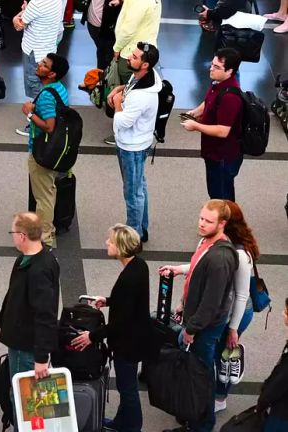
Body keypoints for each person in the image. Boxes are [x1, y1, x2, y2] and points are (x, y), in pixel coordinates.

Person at [159, 199, 239, 432]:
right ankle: (193, 417)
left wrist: (192, 329)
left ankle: (202, 425)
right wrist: (180, 273)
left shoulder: (220, 258)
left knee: (201, 376)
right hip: (197, 321)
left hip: (204, 327)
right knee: (196, 373)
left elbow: (211, 303)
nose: (202, 224)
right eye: (201, 218)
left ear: (222, 224)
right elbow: (197, 269)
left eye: (208, 221)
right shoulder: (207, 243)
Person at [72, 224, 153, 432]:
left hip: (127, 343)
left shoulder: (128, 278)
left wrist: (93, 336)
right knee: (127, 386)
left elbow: (121, 322)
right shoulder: (139, 266)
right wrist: (108, 301)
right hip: (137, 338)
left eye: (111, 241)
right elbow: (130, 302)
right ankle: (122, 422)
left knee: (128, 389)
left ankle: (132, 427)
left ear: (121, 247)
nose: (107, 243)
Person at [0, 212, 60, 431]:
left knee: (29, 404)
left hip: (28, 348)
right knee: (23, 398)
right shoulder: (31, 258)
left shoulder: (39, 269)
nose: (12, 237)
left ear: (22, 236)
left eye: (13, 232)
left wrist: (41, 358)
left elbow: (45, 317)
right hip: (20, 342)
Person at [108, 42, 161, 242]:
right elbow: (129, 85)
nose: (130, 57)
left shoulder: (141, 97)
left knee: (132, 193)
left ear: (145, 65)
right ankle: (141, 228)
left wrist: (118, 102)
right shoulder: (144, 76)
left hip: (132, 147)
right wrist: (120, 89)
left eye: (135, 57)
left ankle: (133, 235)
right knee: (140, 186)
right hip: (138, 143)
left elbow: (123, 121)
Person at [181, 48, 243, 202]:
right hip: (214, 152)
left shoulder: (230, 97)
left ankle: (227, 225)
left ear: (229, 71)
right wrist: (195, 112)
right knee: (216, 193)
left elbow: (223, 131)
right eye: (212, 64)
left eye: (216, 67)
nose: (211, 68)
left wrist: (196, 126)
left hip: (222, 156)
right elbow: (209, 101)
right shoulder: (218, 83)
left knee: (222, 199)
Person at [214, 200, 258, 412]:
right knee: (218, 351)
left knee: (225, 355)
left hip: (237, 312)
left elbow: (242, 295)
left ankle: (220, 397)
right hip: (226, 308)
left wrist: (233, 329)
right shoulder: (221, 242)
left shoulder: (239, 254)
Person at [22, 53, 69, 247]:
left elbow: (49, 126)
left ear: (52, 74)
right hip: (56, 149)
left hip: (43, 151)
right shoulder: (59, 89)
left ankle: (45, 236)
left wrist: (30, 113)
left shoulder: (47, 97)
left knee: (43, 195)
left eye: (44, 64)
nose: (39, 65)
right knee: (47, 190)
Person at [103, 0, 161, 146]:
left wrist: (117, 48)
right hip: (144, 49)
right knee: (132, 86)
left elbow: (128, 29)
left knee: (127, 96)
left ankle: (122, 132)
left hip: (131, 50)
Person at [13, 0, 64, 136]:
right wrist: (27, 10)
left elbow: (18, 24)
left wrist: (18, 15)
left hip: (34, 53)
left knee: (36, 90)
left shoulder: (37, 3)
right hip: (48, 49)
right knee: (45, 89)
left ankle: (37, 126)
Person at [256, 297, 288, 431]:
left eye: (286, 312)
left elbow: (279, 383)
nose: (282, 314)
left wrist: (263, 401)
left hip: (283, 413)